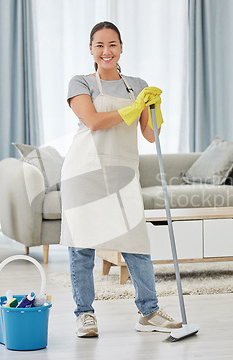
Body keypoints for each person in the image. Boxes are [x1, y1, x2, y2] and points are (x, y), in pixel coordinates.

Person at [60, 21, 182, 338]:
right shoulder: (80, 82)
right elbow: (94, 122)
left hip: (124, 174)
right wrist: (133, 109)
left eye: (112, 44)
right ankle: (85, 315)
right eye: (99, 45)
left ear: (121, 47)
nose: (106, 51)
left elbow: (150, 136)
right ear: (91, 49)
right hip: (84, 171)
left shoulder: (138, 86)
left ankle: (149, 311)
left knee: (136, 245)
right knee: (82, 247)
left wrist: (155, 109)